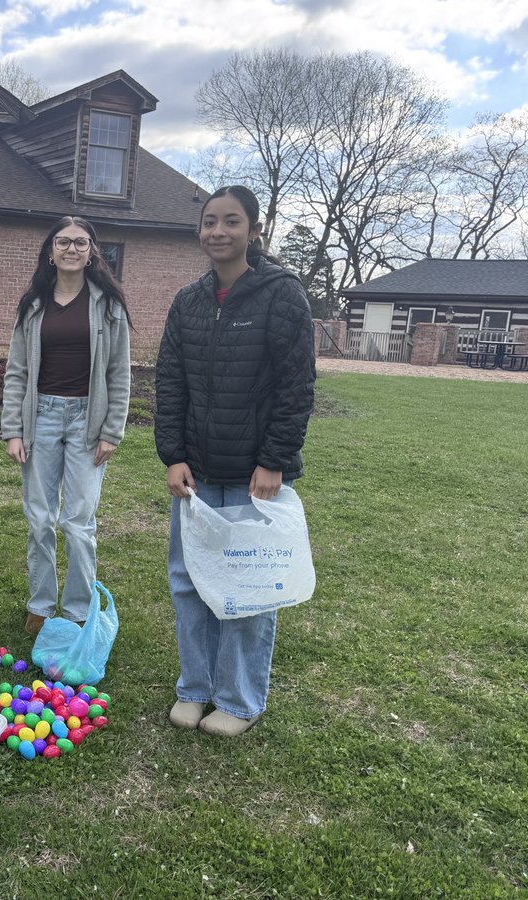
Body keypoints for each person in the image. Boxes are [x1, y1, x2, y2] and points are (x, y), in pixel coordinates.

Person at [154, 184, 315, 737]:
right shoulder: (188, 301)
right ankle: (194, 689)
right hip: (195, 477)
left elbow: (297, 387)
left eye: (231, 222)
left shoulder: (281, 295)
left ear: (253, 229)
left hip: (254, 478)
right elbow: (170, 386)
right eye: (209, 222)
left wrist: (275, 460)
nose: (217, 232)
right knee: (191, 580)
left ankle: (239, 700)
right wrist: (172, 455)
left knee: (248, 586)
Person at [1, 216, 131, 636]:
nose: (71, 249)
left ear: (92, 251)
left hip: (87, 422)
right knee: (40, 518)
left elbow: (119, 372)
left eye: (80, 242)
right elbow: (16, 371)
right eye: (63, 242)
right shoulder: (33, 305)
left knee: (78, 522)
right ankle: (40, 605)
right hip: (40, 418)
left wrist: (112, 430)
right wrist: (13, 429)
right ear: (51, 251)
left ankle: (76, 609)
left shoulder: (108, 306)